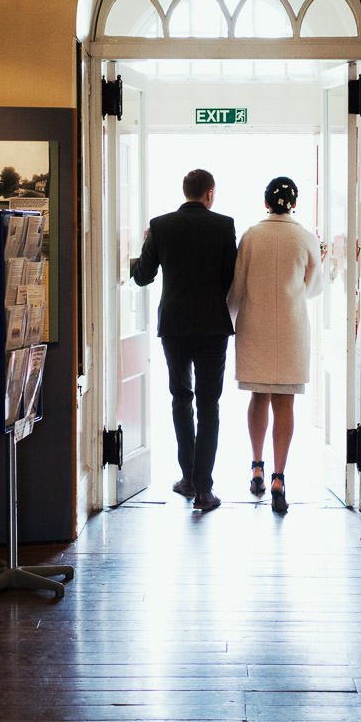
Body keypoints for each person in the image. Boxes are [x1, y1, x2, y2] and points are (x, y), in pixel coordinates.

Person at [129, 168, 238, 512]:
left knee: (180, 398)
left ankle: (187, 479)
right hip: (212, 326)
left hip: (174, 325)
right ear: (209, 193)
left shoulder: (160, 226)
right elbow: (229, 277)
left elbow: (143, 277)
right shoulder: (223, 225)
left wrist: (135, 253)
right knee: (209, 405)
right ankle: (204, 489)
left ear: (185, 191)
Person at [227, 176, 323, 514]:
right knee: (285, 403)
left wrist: (231, 315)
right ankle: (279, 477)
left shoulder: (252, 235)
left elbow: (236, 286)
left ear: (266, 202)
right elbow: (314, 287)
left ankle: (256, 468)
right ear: (293, 204)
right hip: (292, 326)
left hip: (255, 324)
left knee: (258, 396)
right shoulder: (305, 238)